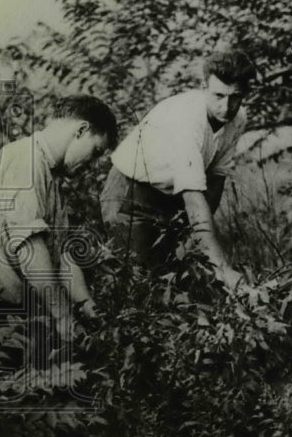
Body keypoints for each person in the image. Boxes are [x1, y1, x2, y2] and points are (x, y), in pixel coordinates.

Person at [0, 94, 118, 369]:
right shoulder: (26, 161)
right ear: (80, 130)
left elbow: (63, 254)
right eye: (95, 152)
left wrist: (85, 304)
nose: (91, 166)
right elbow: (30, 249)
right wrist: (63, 317)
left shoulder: (49, 176)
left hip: (7, 309)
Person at [100, 51, 253, 289]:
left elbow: (216, 178)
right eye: (219, 96)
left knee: (172, 282)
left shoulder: (238, 117)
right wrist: (222, 267)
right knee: (136, 284)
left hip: (171, 200)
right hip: (131, 195)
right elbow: (193, 196)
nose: (227, 106)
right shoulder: (187, 117)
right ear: (204, 87)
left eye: (235, 97)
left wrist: (195, 236)